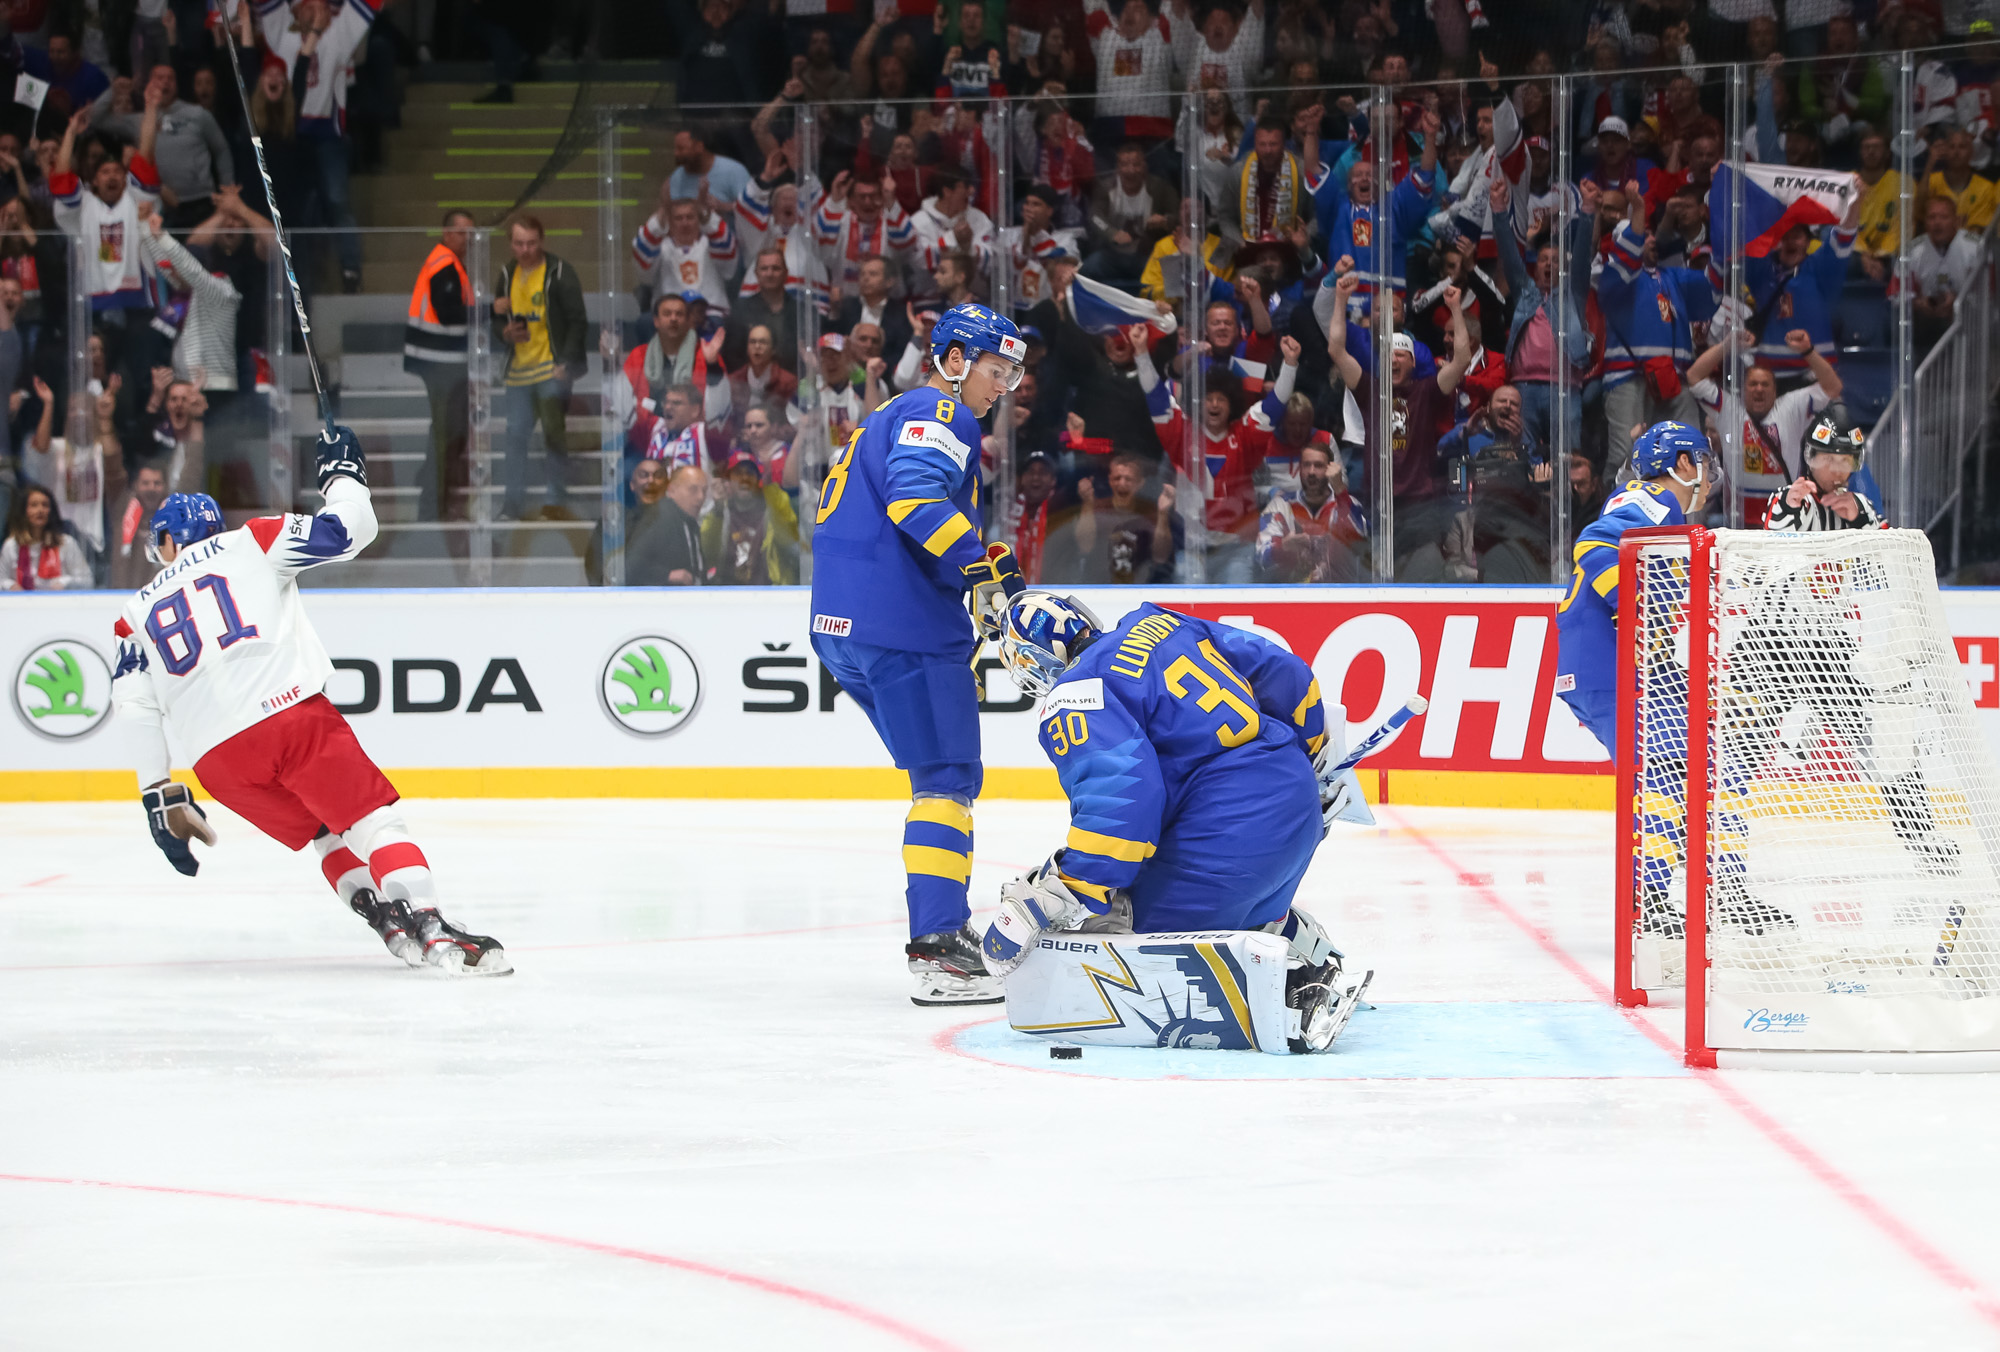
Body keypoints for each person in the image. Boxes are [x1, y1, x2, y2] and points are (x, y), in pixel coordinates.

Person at [109, 428, 511, 971]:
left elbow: (134, 707)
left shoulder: (132, 613)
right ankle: (433, 926)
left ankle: (387, 921)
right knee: (373, 822)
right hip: (285, 716)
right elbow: (352, 529)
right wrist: (342, 475)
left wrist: (158, 795)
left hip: (217, 764)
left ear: (170, 540)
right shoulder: (250, 540)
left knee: (325, 830)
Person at [980, 592, 1368, 1054]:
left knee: (1132, 949)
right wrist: (1315, 750)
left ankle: (1294, 994)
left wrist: (1064, 888)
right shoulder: (1159, 623)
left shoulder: (1077, 691)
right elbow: (1284, 671)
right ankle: (1296, 943)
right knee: (1188, 890)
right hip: (1296, 797)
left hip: (1230, 831)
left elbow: (1122, 799)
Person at [807, 301, 1029, 1007]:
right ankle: (940, 951)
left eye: (1012, 375)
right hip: (901, 623)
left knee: (935, 777)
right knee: (946, 778)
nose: (1001, 387)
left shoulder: (889, 413)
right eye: (996, 370)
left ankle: (939, 937)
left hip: (841, 625)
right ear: (956, 360)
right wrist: (984, 569)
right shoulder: (941, 414)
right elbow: (914, 502)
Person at [1554, 420, 1712, 758]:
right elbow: (1593, 543)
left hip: (1603, 666)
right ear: (1684, 462)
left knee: (1690, 766)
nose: (1709, 475)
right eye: (1704, 462)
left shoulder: (1652, 508)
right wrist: (1635, 607)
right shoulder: (1654, 497)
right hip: (1610, 663)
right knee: (1665, 779)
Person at [258, 0, 389, 292]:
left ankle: (351, 268)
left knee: (337, 200)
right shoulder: (282, 35)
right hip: (287, 137)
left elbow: (369, 4)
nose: (317, 9)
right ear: (294, 9)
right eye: (308, 4)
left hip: (327, 135)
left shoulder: (339, 32)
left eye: (322, 4)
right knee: (297, 210)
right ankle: (301, 278)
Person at [1685, 327, 1842, 525]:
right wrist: (1726, 346)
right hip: (1739, 520)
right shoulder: (1729, 408)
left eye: (1765, 385)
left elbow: (1833, 387)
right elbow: (1694, 377)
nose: (1759, 389)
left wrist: (1807, 351)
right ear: (1743, 389)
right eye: (1753, 384)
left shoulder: (1792, 406)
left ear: (1775, 390)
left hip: (1785, 514)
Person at [492, 216, 586, 521]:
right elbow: (496, 319)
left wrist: (566, 363)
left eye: (531, 243)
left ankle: (555, 499)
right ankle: (512, 504)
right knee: (515, 436)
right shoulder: (507, 273)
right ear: (511, 243)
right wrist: (503, 332)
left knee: (552, 435)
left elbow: (577, 320)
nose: (525, 249)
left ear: (541, 241)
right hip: (518, 370)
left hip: (550, 369)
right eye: (519, 243)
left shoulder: (558, 272)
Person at [88, 63, 233, 230]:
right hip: (157, 204)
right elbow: (96, 118)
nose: (165, 82)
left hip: (200, 202)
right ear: (148, 84)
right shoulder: (138, 121)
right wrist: (114, 90)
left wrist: (227, 191)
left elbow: (221, 150)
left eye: (170, 78)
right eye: (159, 78)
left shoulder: (198, 114)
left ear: (176, 85)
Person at [403, 209, 473, 521]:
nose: (468, 239)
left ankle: (436, 498)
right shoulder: (444, 265)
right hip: (440, 363)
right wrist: (487, 310)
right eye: (462, 232)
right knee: (446, 434)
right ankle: (433, 505)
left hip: (442, 361)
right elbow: (449, 313)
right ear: (447, 233)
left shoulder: (448, 263)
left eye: (471, 233)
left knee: (449, 432)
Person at [1256, 441, 1367, 583]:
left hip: (1338, 596)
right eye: (1306, 465)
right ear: (1299, 470)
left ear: (1330, 470)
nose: (1312, 472)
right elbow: (1261, 556)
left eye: (1318, 466)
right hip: (1291, 597)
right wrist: (1283, 547)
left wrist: (1340, 489)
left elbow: (1361, 539)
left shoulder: (1346, 503)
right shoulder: (1280, 506)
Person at [586, 459, 707, 586]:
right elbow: (597, 565)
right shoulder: (615, 522)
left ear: (667, 485)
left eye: (658, 476)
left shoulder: (684, 521)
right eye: (644, 475)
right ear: (632, 484)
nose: (651, 480)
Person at [1766, 409, 1879, 531]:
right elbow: (1774, 539)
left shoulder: (1860, 505)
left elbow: (1886, 545)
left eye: (1845, 461)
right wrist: (1789, 508)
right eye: (1829, 459)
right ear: (1810, 459)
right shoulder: (1789, 498)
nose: (1837, 471)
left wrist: (1859, 519)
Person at [702, 448, 800, 585]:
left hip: (770, 594)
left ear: (758, 478)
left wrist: (770, 491)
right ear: (728, 480)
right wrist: (717, 510)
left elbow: (789, 541)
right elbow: (707, 553)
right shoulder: (721, 512)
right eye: (738, 473)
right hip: (727, 594)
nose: (744, 479)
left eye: (750, 473)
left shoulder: (772, 505)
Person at [1, 484, 92, 589]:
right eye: (34, 505)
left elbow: (87, 580)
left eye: (45, 505)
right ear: (23, 511)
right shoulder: (11, 546)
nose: (40, 510)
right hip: (22, 604)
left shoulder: (66, 543)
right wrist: (10, 585)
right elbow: (1, 579)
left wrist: (64, 582)